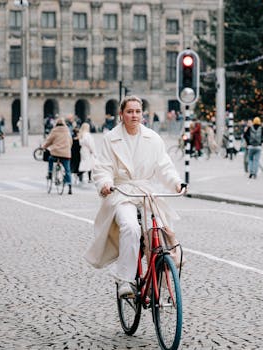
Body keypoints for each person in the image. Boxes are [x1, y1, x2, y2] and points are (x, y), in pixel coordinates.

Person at [84, 95, 184, 298]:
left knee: (157, 230)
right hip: (121, 192)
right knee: (130, 227)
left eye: (138, 111)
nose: (134, 115)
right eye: (129, 111)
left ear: (143, 114)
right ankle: (125, 280)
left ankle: (159, 275)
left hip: (145, 191)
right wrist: (105, 184)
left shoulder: (153, 138)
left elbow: (164, 166)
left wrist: (176, 182)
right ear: (121, 114)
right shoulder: (110, 138)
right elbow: (102, 167)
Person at [42, 117, 73, 194]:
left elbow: (49, 141)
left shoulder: (54, 130)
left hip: (56, 153)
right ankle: (69, 186)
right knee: (67, 170)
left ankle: (50, 172)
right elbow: (70, 141)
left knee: (50, 159)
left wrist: (44, 147)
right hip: (66, 154)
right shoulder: (67, 131)